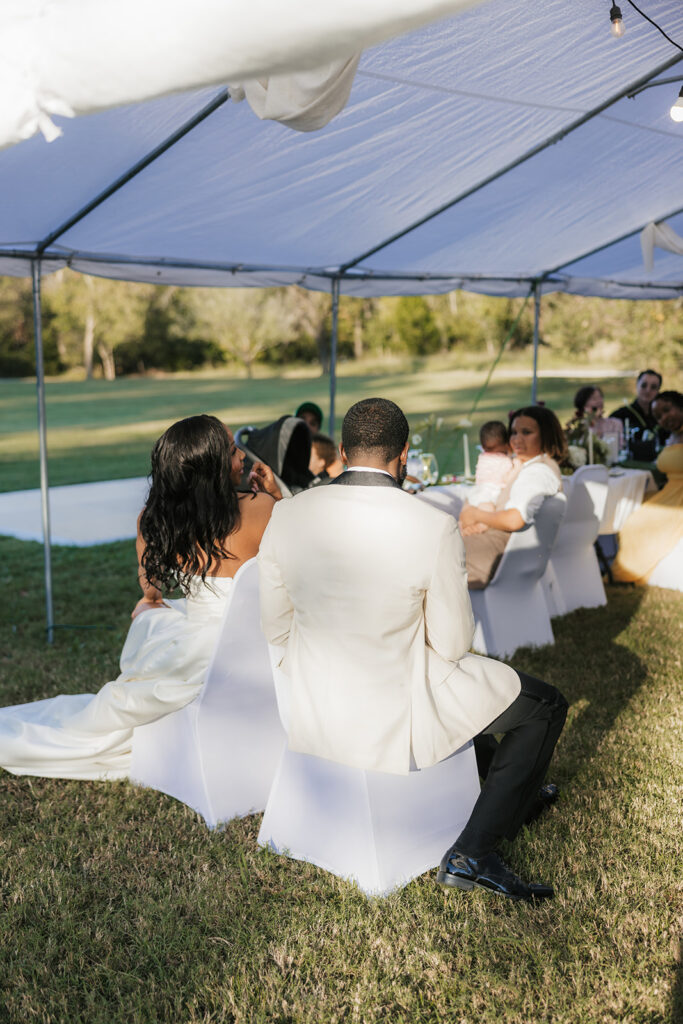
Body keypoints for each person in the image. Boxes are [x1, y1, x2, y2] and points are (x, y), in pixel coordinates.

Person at [258, 397, 567, 903]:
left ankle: (511, 791)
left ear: (340, 449)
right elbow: (451, 645)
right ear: (403, 455)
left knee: (486, 697)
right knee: (545, 705)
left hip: (312, 703)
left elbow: (275, 627)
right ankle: (473, 853)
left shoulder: (288, 514)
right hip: (395, 709)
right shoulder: (430, 524)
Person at [0, 415, 274, 780]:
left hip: (193, 651)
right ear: (211, 468)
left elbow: (150, 589)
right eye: (232, 450)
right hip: (249, 650)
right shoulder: (262, 509)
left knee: (151, 618)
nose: (242, 456)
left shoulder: (154, 520)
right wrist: (277, 496)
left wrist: (150, 602)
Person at [459, 406, 567, 589]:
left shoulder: (538, 472)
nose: (517, 439)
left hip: (490, 558)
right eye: (514, 432)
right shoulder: (527, 467)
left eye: (527, 432)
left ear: (546, 435)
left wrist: (476, 515)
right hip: (492, 552)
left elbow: (515, 519)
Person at [612, 390, 683, 585]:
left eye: (667, 410)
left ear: (679, 405)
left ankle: (630, 572)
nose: (664, 418)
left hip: (679, 499)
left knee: (636, 522)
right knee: (630, 510)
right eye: (658, 417)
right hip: (670, 491)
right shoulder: (673, 436)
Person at [609, 369, 667, 461]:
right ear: (637, 386)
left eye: (653, 387)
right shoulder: (620, 415)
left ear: (658, 390)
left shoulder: (664, 416)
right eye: (644, 385)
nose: (648, 390)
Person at [466, 420, 513, 511]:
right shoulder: (505, 460)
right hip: (495, 493)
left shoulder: (482, 456)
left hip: (478, 491)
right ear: (506, 444)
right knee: (489, 513)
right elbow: (508, 478)